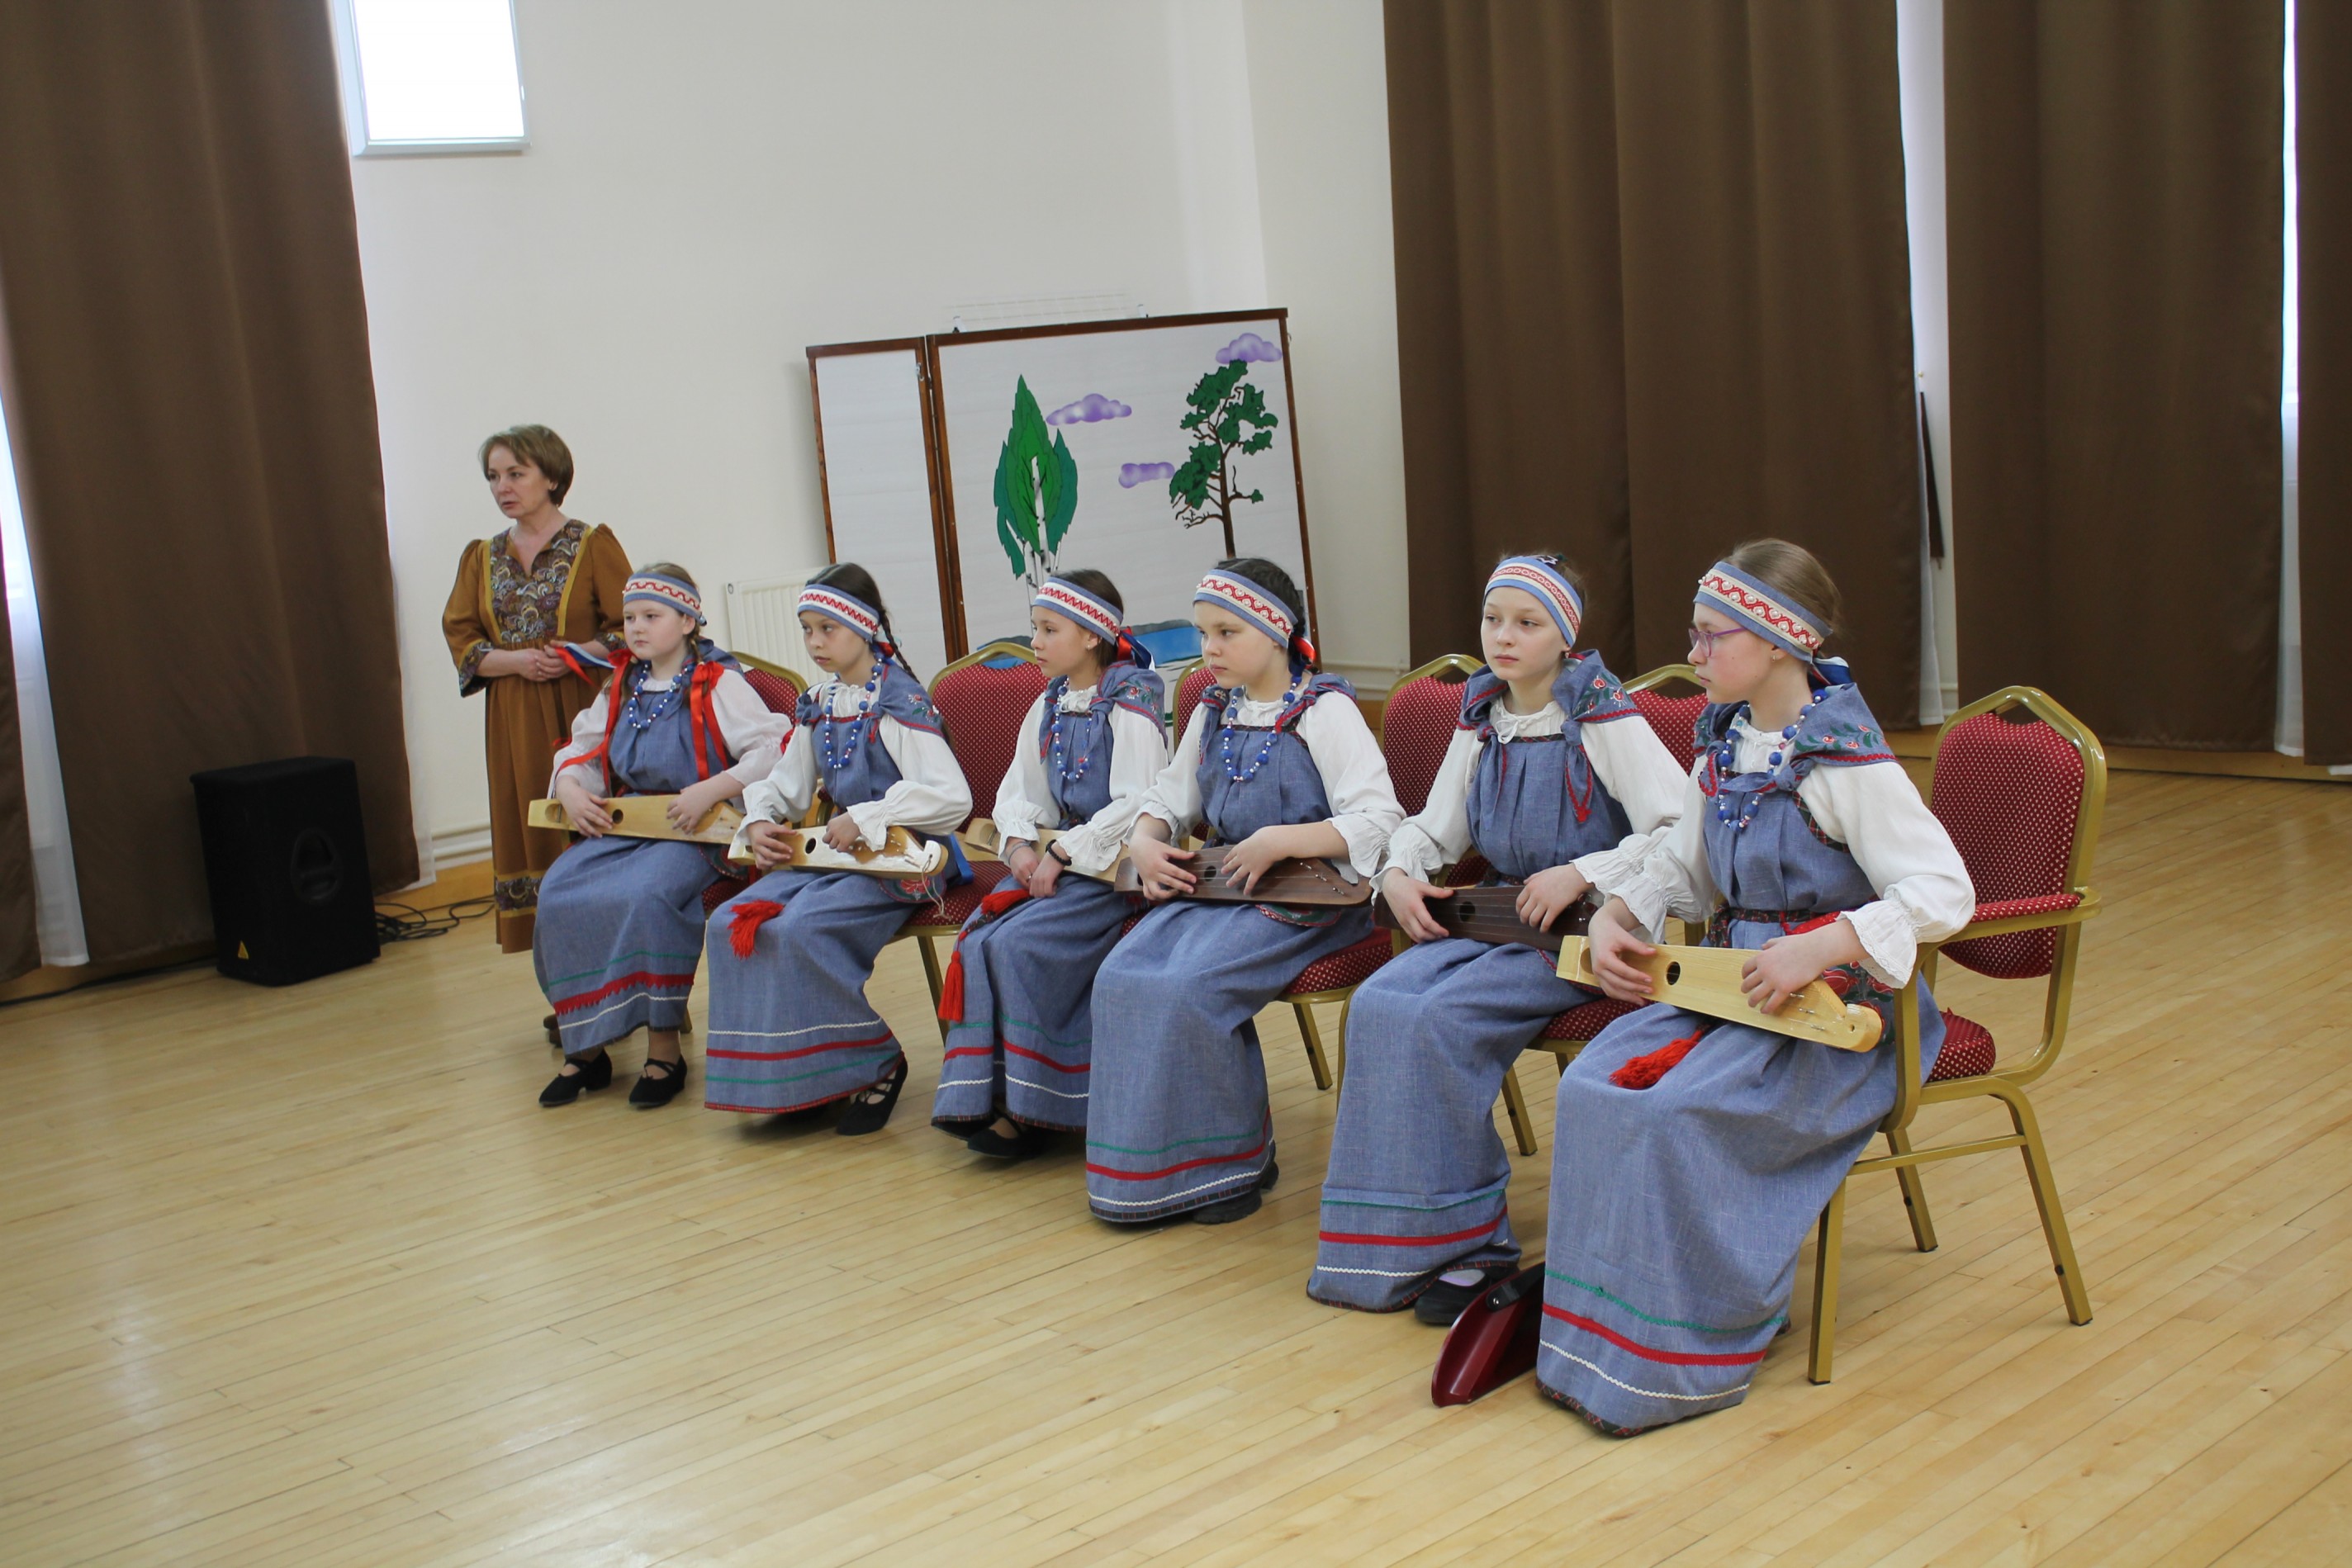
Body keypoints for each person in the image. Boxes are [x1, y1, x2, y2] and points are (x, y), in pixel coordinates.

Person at [1534, 540, 1973, 1436]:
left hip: (1839, 1018)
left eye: (1710, 636)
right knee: (1591, 1087)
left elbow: (1944, 891)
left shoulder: (1844, 759)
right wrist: (1620, 910)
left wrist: (1824, 945)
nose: (1691, 653)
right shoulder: (1724, 747)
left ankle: (1689, 1342)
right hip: (1731, 990)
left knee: (1673, 1113)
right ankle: (1597, 1339)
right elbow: (1686, 873)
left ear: (1778, 641)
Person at [1307, 555, 1689, 1322]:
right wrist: (1399, 873)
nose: (1504, 637)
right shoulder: (1483, 716)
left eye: (1527, 623)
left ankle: (1471, 1245)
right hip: (1498, 923)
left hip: (1580, 938)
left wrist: (1581, 872)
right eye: (1493, 619)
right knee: (1380, 1003)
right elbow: (1435, 827)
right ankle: (1392, 1245)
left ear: (1566, 636)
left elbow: (1680, 829)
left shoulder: (1603, 716)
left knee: (1438, 1018)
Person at [1085, 559, 1403, 1225]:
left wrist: (1283, 840)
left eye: (1227, 632)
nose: (1210, 649)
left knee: (1188, 986)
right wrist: (1145, 840)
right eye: (1204, 633)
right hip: (1226, 888)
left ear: (1277, 631)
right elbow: (1168, 797)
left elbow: (1380, 820)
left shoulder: (1326, 710)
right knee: (1120, 973)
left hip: (1313, 898)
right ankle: (1148, 1170)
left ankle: (1231, 1167)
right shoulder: (1214, 709)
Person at [702, 565, 972, 1133]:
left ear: (865, 627)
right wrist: (759, 818)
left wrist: (870, 814)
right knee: (731, 921)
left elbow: (952, 798)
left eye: (828, 628)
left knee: (800, 929)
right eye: (807, 629)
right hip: (836, 856)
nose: (815, 642)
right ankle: (804, 1082)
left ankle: (877, 1062)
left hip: (906, 860)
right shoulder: (819, 702)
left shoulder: (898, 700)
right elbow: (786, 784)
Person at [930, 571, 1169, 1159]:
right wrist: (1018, 845)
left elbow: (1139, 801)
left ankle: (1041, 1105)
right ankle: (993, 1095)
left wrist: (1063, 851)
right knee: (980, 938)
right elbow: (1019, 793)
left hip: (1114, 875)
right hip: (1063, 869)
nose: (1034, 642)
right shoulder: (1050, 703)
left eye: (1048, 629)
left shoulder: (1130, 704)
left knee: (1017, 946)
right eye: (1034, 628)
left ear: (1091, 636)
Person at [531, 566, 790, 1109]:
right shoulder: (621, 685)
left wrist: (712, 789)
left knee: (648, 895)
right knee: (558, 891)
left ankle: (664, 1049)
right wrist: (571, 787)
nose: (637, 627)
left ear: (689, 620)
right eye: (630, 617)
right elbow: (582, 749)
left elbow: (772, 747)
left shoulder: (719, 682)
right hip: (631, 826)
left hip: (697, 833)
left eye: (652, 616)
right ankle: (586, 1046)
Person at [441, 424, 630, 954]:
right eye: (493, 477)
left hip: (583, 706)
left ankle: (620, 954)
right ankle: (561, 964)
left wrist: (575, 653)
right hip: (514, 715)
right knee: (530, 820)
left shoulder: (592, 544)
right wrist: (517, 662)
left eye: (516, 474)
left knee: (590, 820)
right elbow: (461, 635)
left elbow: (631, 627)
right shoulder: (481, 556)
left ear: (550, 477)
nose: (503, 487)